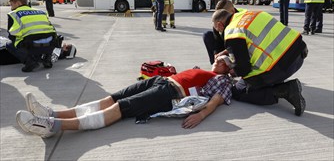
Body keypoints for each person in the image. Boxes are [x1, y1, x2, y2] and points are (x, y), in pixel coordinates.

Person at [16, 58, 233, 138]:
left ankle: (52, 126)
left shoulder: (222, 80)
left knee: (122, 107)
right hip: (161, 82)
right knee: (112, 98)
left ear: (227, 67)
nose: (217, 60)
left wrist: (201, 116)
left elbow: (216, 101)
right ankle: (53, 114)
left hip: (171, 93)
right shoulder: (208, 70)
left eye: (222, 60)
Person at [212, 0, 308, 116]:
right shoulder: (253, 14)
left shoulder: (232, 32)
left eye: (218, 30)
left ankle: (285, 90)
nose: (220, 33)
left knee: (238, 91)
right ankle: (276, 82)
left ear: (219, 25)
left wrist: (229, 71)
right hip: (299, 54)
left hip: (283, 66)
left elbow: (244, 69)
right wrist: (227, 52)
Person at [6, 0, 57, 72]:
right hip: (50, 43)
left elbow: (11, 33)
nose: (11, 7)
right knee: (45, 36)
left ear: (18, 3)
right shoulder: (41, 12)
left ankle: (30, 62)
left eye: (12, 4)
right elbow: (51, 28)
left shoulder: (14, 14)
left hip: (31, 44)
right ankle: (47, 59)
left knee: (9, 44)